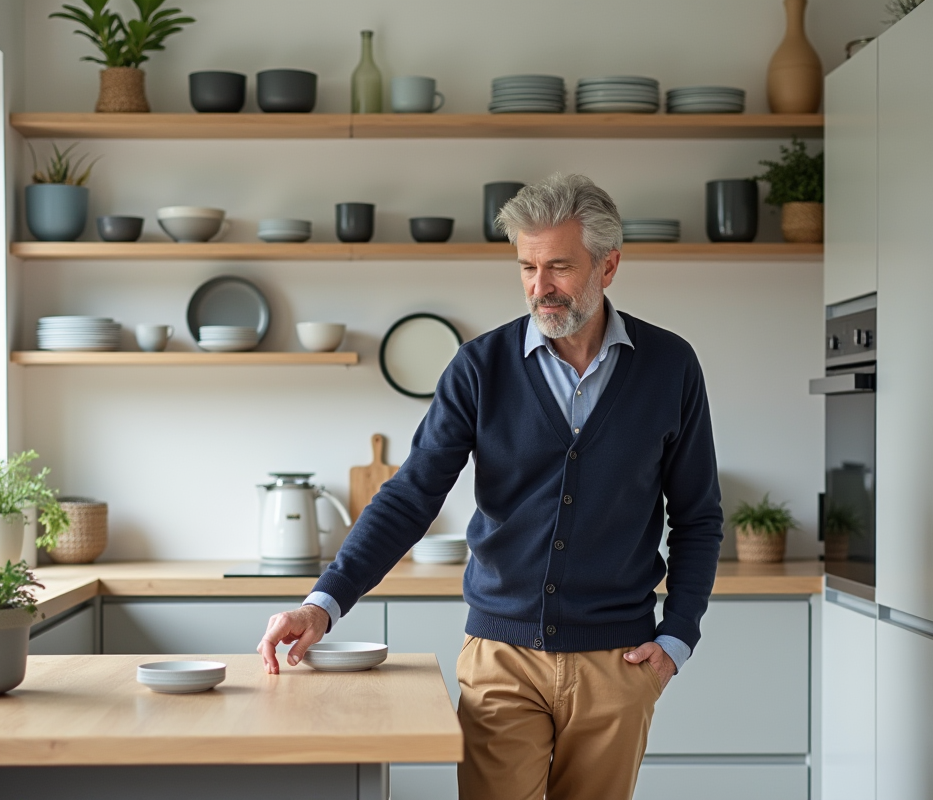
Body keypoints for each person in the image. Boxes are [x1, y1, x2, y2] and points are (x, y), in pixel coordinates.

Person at [258, 173, 723, 800]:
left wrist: (678, 637)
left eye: (559, 267)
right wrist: (322, 602)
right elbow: (411, 495)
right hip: (502, 656)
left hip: (619, 660)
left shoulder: (670, 366)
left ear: (608, 266)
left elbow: (697, 516)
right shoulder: (479, 367)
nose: (540, 287)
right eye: (527, 267)